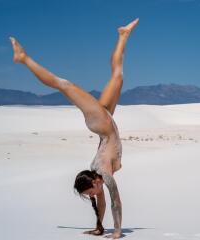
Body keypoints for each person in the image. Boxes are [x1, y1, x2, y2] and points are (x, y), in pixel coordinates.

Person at [9, 17, 139, 239]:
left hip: (101, 123)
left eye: (90, 192)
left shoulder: (104, 175)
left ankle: (24, 59)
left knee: (64, 84)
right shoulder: (101, 177)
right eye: (90, 194)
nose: (92, 196)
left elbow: (115, 202)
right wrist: (101, 227)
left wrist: (117, 232)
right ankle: (123, 36)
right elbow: (107, 201)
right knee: (117, 75)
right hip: (106, 122)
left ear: (94, 181)